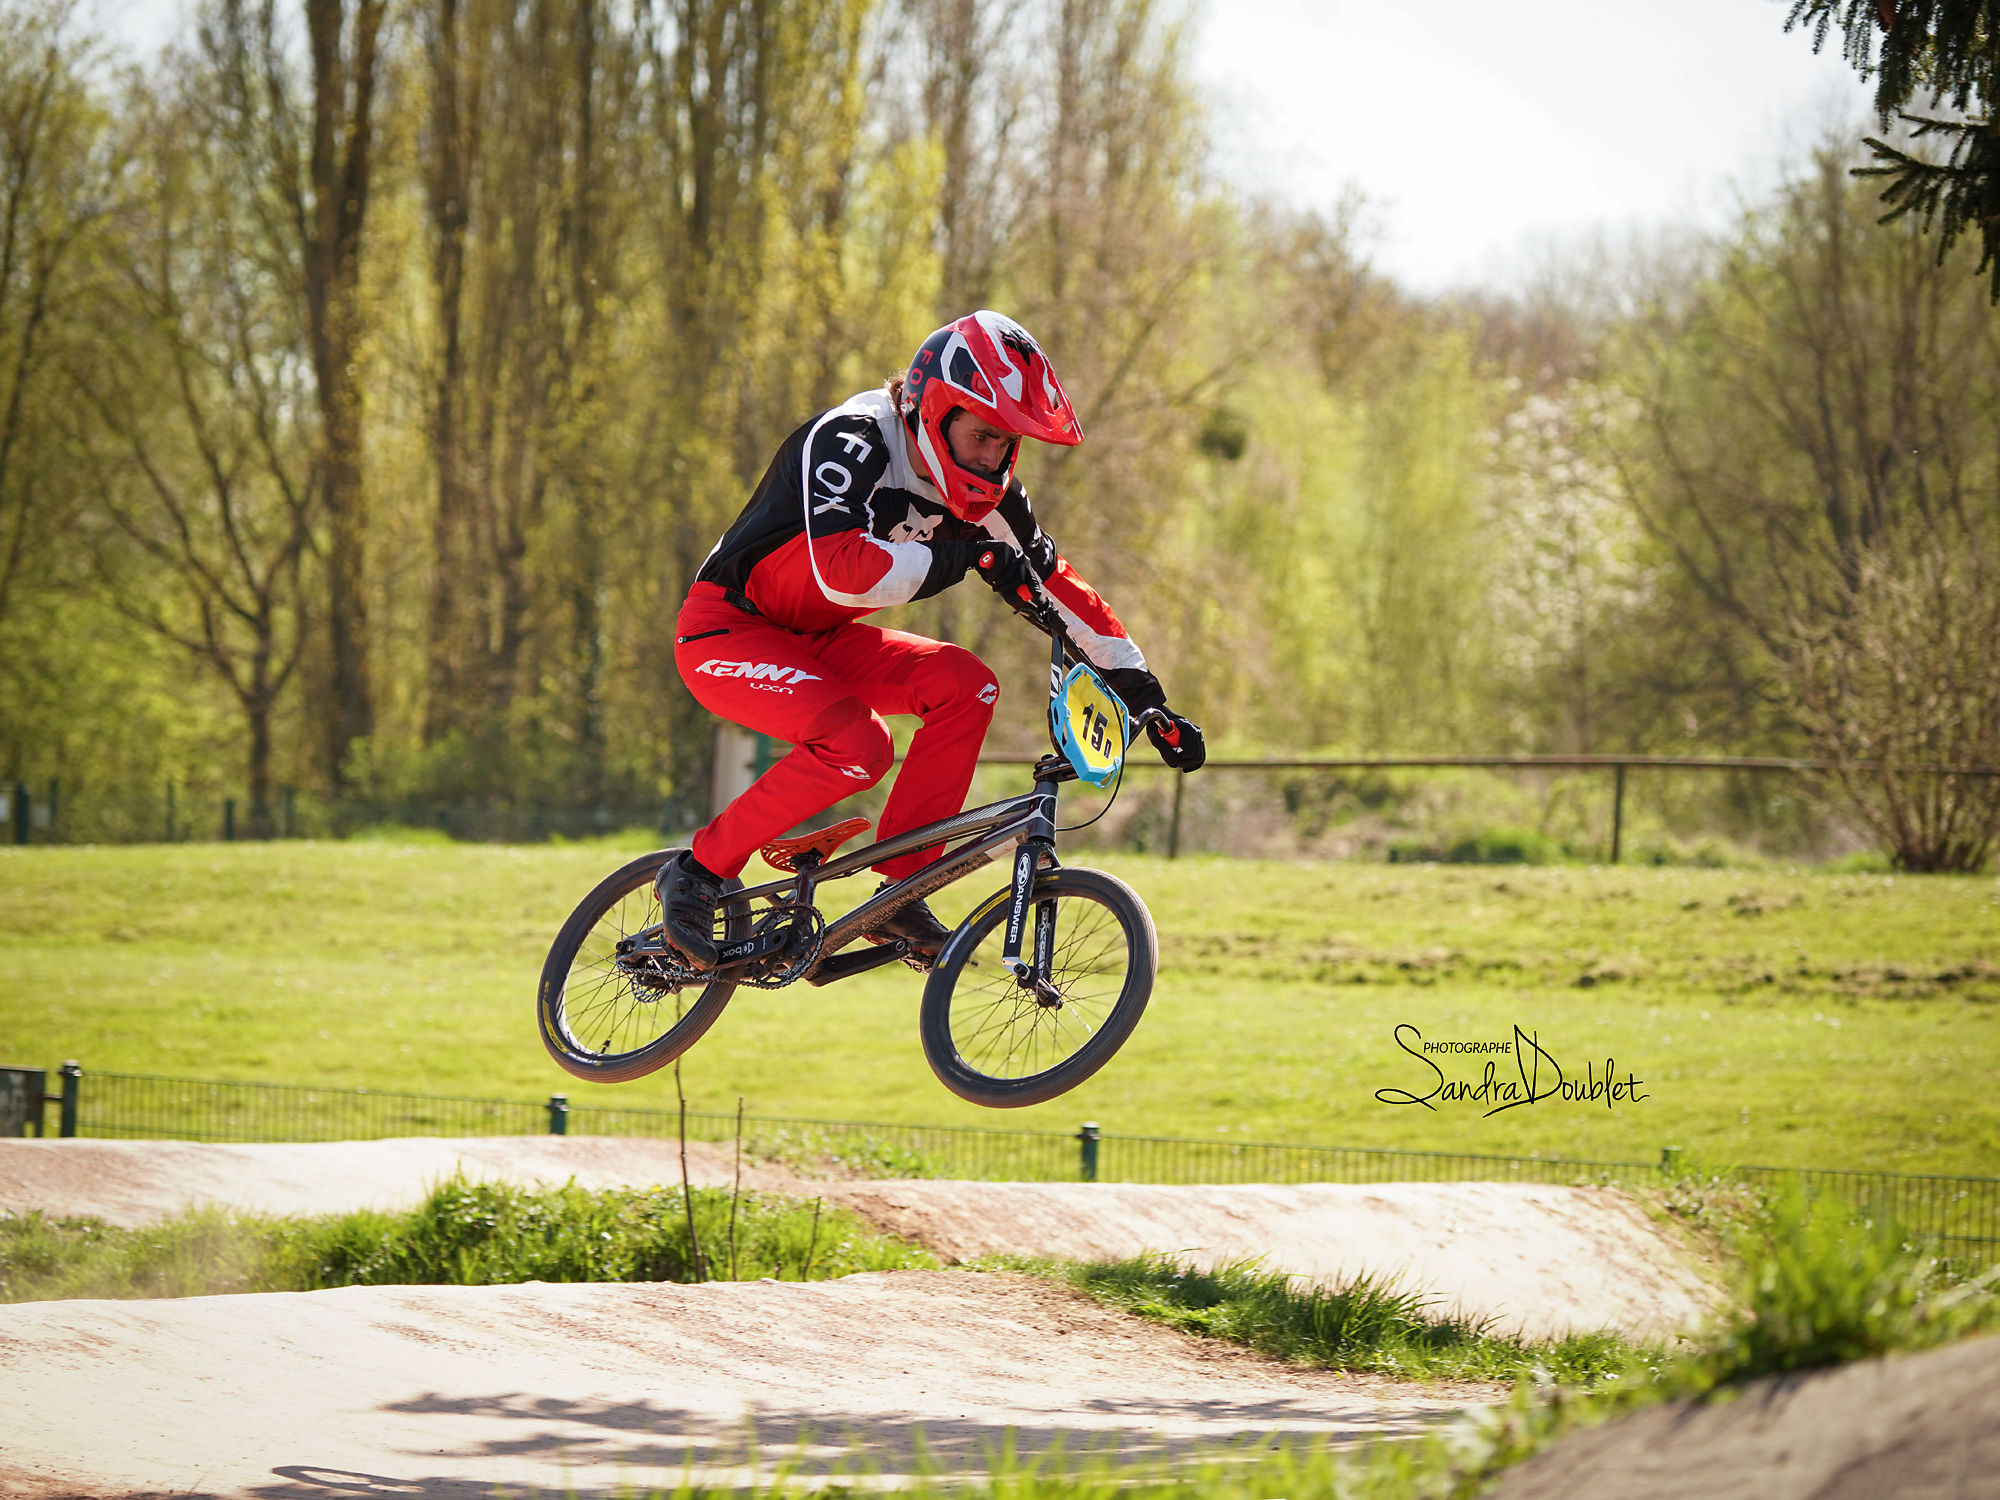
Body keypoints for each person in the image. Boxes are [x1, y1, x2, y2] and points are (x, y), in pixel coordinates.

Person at [659, 310, 1205, 969]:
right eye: (981, 436)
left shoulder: (990, 495)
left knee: (966, 684)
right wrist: (965, 561)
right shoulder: (853, 438)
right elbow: (841, 571)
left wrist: (1144, 695)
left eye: (1006, 444)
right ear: (935, 409)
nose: (993, 458)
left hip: (820, 639)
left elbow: (1054, 584)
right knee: (861, 745)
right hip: (728, 629)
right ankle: (698, 871)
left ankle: (899, 890)